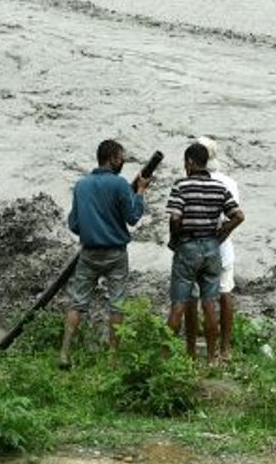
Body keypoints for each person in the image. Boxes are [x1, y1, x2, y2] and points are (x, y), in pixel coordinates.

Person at [59, 138, 150, 369]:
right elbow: (132, 217)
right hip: (116, 254)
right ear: (112, 158)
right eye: (121, 157)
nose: (123, 161)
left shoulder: (81, 185)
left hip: (88, 254)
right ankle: (112, 358)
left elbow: (74, 224)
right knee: (117, 304)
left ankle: (65, 353)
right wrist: (139, 191)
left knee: (78, 303)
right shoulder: (120, 184)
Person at [166, 141, 244, 361]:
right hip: (212, 249)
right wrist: (219, 234)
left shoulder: (181, 186)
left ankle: (162, 357)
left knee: (179, 304)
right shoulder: (220, 188)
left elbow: (175, 217)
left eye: (185, 162)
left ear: (190, 162)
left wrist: (175, 239)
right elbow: (238, 216)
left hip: (188, 247)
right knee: (210, 304)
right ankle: (212, 359)